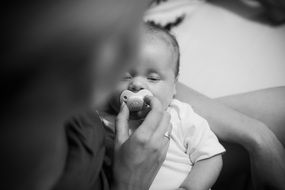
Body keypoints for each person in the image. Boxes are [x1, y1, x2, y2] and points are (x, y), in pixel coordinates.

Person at [100, 23, 225, 190]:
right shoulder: (101, 120)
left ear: (174, 86)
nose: (136, 84)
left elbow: (210, 157)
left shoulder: (181, 116)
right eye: (124, 76)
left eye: (152, 78)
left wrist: (190, 187)